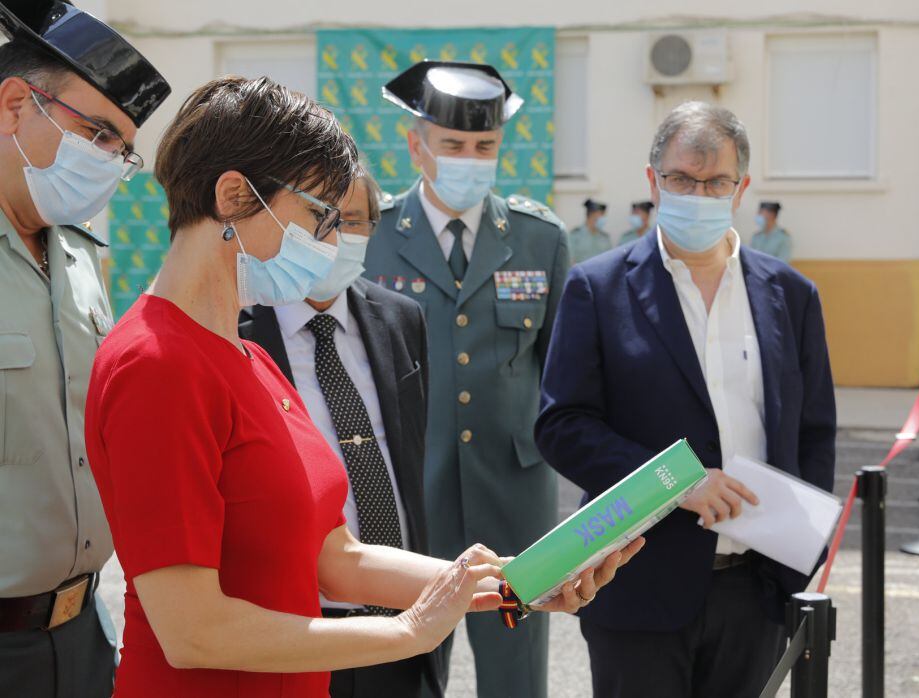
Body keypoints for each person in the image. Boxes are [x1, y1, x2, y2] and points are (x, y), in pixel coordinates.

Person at [83, 75, 636, 698]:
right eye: (319, 215)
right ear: (235, 196)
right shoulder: (157, 364)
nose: (331, 242)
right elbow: (191, 630)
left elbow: (335, 559)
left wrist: (509, 581)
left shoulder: (246, 359)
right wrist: (408, 634)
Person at [535, 101, 836, 698]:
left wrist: (802, 551)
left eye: (714, 181)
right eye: (680, 179)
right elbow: (562, 426)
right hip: (637, 584)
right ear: (653, 181)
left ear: (740, 188)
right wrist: (677, 482)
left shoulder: (791, 295)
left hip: (756, 587)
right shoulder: (597, 287)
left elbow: (814, 431)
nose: (697, 192)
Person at [364, 60, 571, 698]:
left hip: (514, 495)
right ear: (416, 145)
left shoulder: (540, 239)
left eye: (484, 147)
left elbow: (560, 376)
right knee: (411, 661)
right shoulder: (371, 235)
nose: (469, 159)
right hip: (409, 494)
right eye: (453, 145)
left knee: (516, 671)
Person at [0, 3, 170, 696]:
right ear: (15, 104)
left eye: (120, 148)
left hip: (83, 635)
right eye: (96, 132)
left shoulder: (77, 255)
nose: (107, 160)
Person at [239, 164, 443, 698]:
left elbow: (408, 456)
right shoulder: (236, 330)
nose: (334, 237)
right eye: (319, 219)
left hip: (402, 620)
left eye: (351, 220)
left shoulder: (402, 319)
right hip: (296, 623)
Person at [568, 197, 611, 263]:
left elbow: (609, 260)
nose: (603, 218)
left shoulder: (605, 237)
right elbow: (570, 260)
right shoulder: (575, 235)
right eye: (601, 214)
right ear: (592, 214)